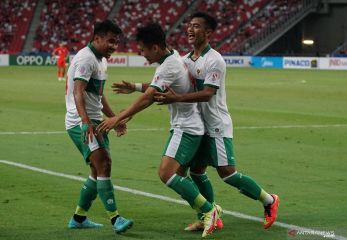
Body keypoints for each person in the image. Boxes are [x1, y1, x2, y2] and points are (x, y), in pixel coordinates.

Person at [154, 12, 280, 231]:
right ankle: (210, 216)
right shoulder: (184, 61)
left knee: (227, 173)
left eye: (196, 26)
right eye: (189, 26)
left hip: (216, 124)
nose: (190, 30)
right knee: (197, 171)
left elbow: (208, 93)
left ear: (208, 32)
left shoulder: (215, 60)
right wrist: (138, 88)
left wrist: (177, 98)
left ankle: (269, 201)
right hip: (198, 125)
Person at [97, 22, 221, 238]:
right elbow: (156, 91)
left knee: (167, 174)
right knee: (181, 175)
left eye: (143, 49)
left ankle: (209, 211)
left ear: (154, 47)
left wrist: (118, 117)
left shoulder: (169, 65)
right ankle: (208, 212)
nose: (141, 53)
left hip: (187, 127)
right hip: (186, 125)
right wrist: (134, 89)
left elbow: (148, 98)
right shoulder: (172, 57)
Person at [65, 19, 133, 234]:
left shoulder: (101, 60)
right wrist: (85, 122)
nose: (114, 46)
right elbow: (78, 92)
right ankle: (115, 219)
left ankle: (78, 218)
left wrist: (115, 119)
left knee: (97, 170)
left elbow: (98, 95)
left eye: (117, 42)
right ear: (97, 39)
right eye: (110, 41)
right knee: (104, 163)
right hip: (81, 121)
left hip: (96, 120)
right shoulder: (86, 59)